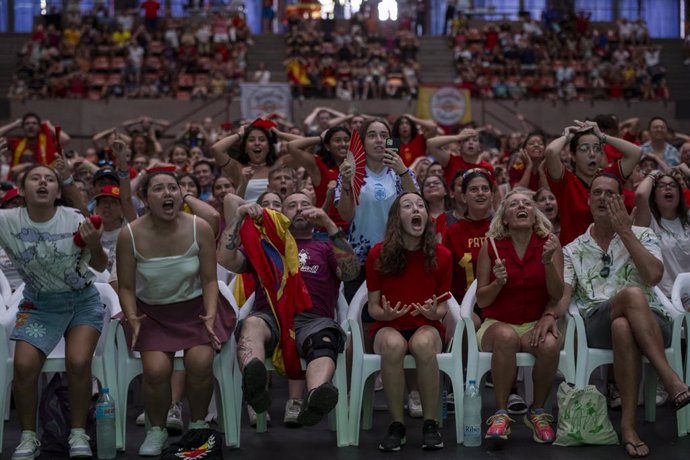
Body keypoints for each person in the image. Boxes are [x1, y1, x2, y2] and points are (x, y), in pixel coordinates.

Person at [555, 173, 690, 458]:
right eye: (597, 193)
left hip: (653, 321)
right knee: (631, 296)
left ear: (620, 199)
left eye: (610, 194)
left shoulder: (643, 234)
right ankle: (670, 378)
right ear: (589, 201)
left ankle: (628, 427)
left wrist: (625, 233)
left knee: (623, 326)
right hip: (596, 323)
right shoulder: (573, 249)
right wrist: (546, 315)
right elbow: (563, 298)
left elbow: (653, 276)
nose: (603, 198)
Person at [116, 171, 235, 456]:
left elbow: (209, 280)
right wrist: (131, 317)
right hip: (152, 314)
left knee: (200, 362)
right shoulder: (129, 234)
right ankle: (156, 429)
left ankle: (197, 426)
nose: (168, 193)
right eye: (158, 189)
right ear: (145, 198)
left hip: (197, 310)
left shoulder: (199, 228)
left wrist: (209, 315)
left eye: (173, 187)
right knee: (156, 370)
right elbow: (127, 287)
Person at [218, 191, 360, 427]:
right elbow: (225, 260)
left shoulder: (325, 247)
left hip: (314, 321)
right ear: (281, 214)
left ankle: (315, 396)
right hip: (271, 317)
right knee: (251, 324)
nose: (299, 209)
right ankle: (255, 385)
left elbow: (351, 272)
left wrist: (329, 224)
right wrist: (238, 218)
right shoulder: (266, 246)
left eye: (305, 204)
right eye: (291, 205)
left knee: (324, 341)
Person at [0, 164, 108, 459]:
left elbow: (100, 265)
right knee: (23, 366)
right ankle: (28, 436)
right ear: (22, 190)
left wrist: (95, 243)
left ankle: (77, 434)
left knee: (78, 361)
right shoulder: (6, 221)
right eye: (35, 178)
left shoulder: (73, 218)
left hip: (81, 302)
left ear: (58, 192)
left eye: (50, 179)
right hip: (38, 305)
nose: (43, 183)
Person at [475, 190, 563, 444]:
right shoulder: (491, 246)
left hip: (533, 323)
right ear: (504, 217)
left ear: (534, 214)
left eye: (527, 203)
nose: (521, 206)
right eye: (514, 204)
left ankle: (537, 411)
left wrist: (547, 263)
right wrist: (498, 283)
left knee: (550, 344)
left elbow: (556, 294)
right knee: (505, 336)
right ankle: (501, 413)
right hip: (497, 323)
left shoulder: (549, 243)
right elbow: (481, 300)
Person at [366, 192, 451, 451]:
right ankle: (397, 425)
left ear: (426, 217)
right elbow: (373, 308)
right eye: (407, 205)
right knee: (393, 345)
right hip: (388, 325)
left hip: (427, 325)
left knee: (424, 343)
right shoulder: (378, 254)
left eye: (420, 206)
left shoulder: (442, 255)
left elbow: (443, 308)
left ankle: (429, 423)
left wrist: (431, 312)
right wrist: (387, 315)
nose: (416, 209)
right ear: (397, 218)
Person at [336, 119, 418, 301]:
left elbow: (418, 210)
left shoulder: (403, 172)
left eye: (384, 136)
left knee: (395, 312)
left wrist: (403, 172)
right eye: (372, 136)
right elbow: (346, 215)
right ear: (362, 143)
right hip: (360, 259)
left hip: (398, 254)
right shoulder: (350, 171)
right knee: (361, 318)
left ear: (391, 141)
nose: (379, 140)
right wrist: (346, 185)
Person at [545, 120, 641, 245]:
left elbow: (636, 153)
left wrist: (602, 136)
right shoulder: (566, 182)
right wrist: (566, 137)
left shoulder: (609, 178)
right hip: (574, 257)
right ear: (573, 156)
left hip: (609, 254)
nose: (592, 154)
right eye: (584, 149)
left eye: (597, 149)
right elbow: (551, 152)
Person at [634, 171, 690, 298]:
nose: (668, 187)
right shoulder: (649, 221)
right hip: (662, 298)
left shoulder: (687, 220)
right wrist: (653, 174)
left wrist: (683, 168)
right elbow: (641, 195)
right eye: (661, 186)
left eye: (672, 185)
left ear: (680, 195)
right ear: (654, 197)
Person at [210, 122, 297, 203]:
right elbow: (216, 149)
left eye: (262, 140)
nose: (257, 143)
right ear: (245, 148)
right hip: (247, 216)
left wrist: (279, 134)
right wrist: (240, 135)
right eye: (251, 140)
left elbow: (307, 146)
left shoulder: (279, 165)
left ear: (269, 147)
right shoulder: (238, 168)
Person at [287, 126, 351, 232]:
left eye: (346, 140)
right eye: (337, 140)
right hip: (326, 233)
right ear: (327, 146)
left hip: (355, 232)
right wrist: (321, 138)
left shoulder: (359, 165)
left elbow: (388, 143)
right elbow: (292, 146)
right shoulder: (319, 165)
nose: (343, 144)